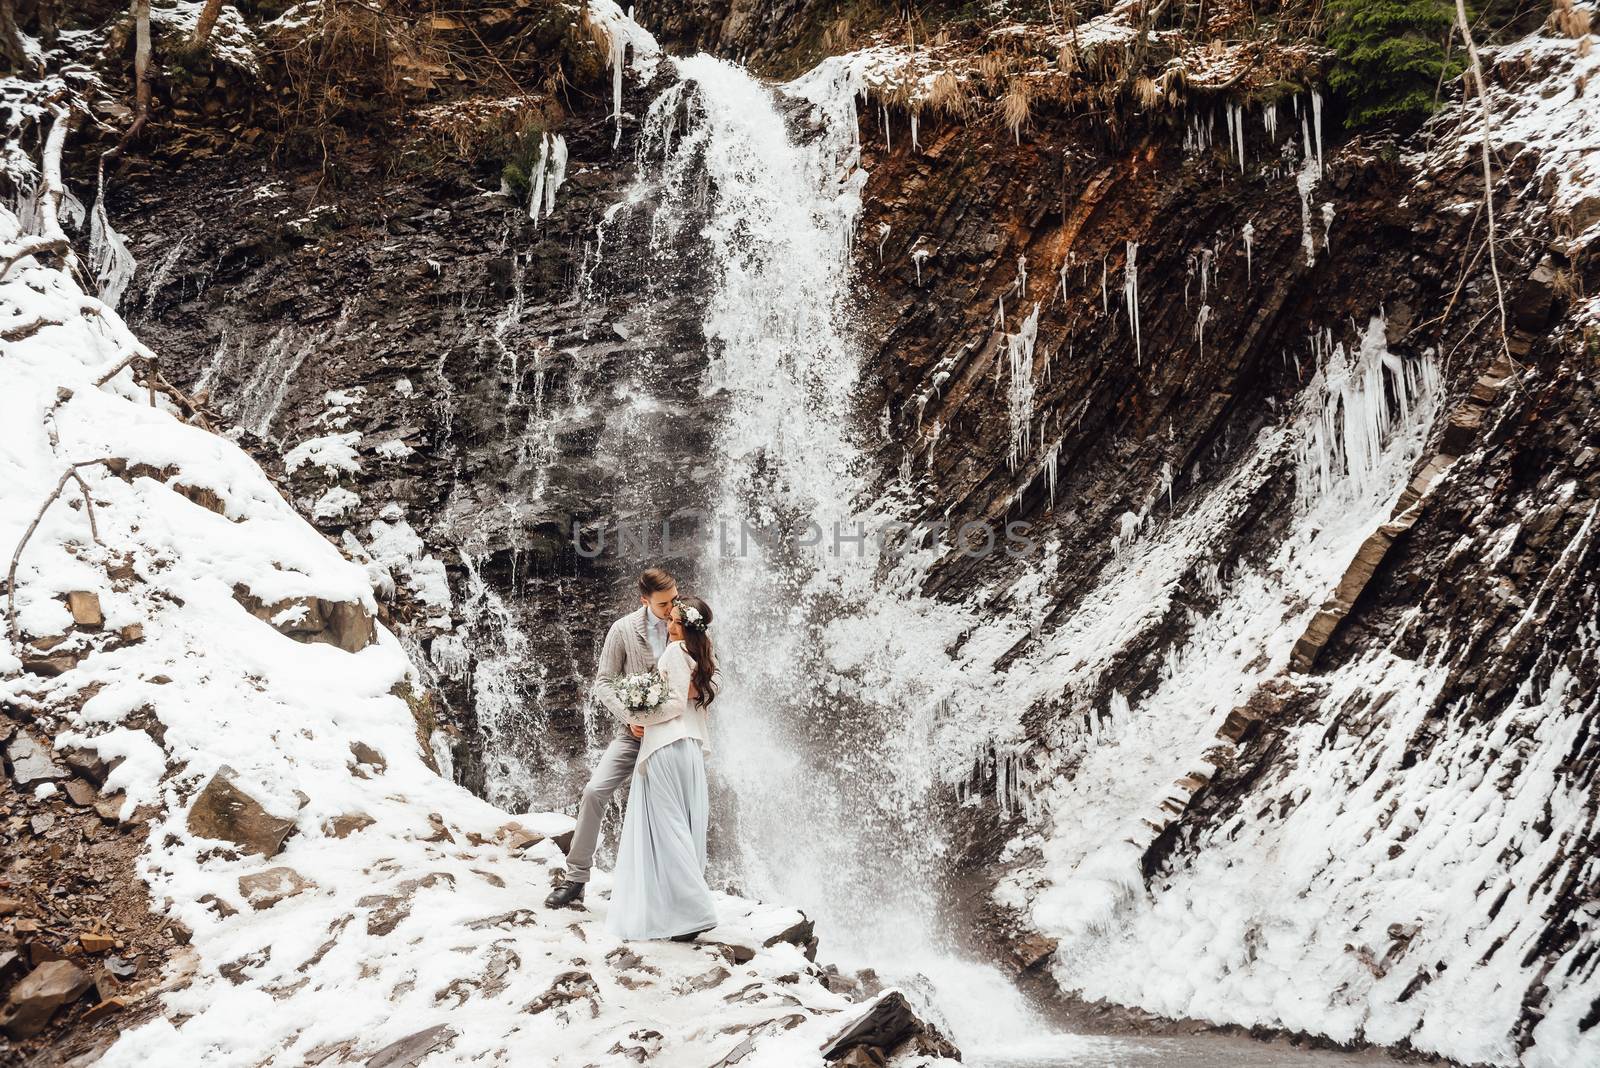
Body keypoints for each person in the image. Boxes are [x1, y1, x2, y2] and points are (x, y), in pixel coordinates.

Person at [545, 567, 678, 909]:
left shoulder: (686, 623)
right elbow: (603, 683)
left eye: (675, 599)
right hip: (633, 737)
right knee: (593, 792)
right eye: (664, 603)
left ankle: (672, 894)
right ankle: (575, 880)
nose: (671, 608)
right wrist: (630, 718)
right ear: (644, 601)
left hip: (674, 738)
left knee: (671, 810)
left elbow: (712, 672)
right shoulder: (622, 630)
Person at [604, 595, 719, 940]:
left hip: (666, 747)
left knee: (667, 829)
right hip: (691, 751)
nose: (667, 627)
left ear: (685, 627)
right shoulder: (703, 658)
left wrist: (636, 715)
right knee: (684, 825)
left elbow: (671, 705)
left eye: (673, 621)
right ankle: (680, 915)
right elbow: (693, 702)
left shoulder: (674, 652)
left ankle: (696, 910)